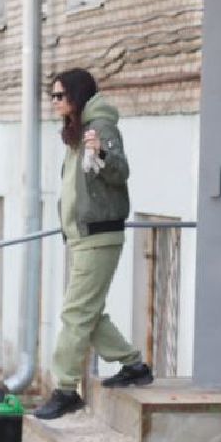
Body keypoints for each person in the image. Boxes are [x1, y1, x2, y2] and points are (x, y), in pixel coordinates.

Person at [34, 68, 153, 420]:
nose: (55, 102)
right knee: (89, 311)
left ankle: (65, 388)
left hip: (99, 235)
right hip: (82, 236)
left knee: (75, 312)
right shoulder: (78, 129)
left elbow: (120, 171)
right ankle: (133, 365)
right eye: (52, 96)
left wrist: (101, 152)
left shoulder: (100, 126)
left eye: (60, 96)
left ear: (77, 94)